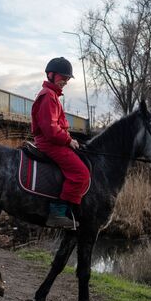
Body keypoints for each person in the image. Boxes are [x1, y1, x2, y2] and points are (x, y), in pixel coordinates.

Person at [31, 57, 90, 229]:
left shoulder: (53, 95)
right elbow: (50, 130)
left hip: (55, 141)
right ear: (51, 75)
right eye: (63, 77)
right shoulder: (48, 96)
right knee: (81, 174)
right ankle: (57, 213)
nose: (66, 81)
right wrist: (68, 140)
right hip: (50, 143)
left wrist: (70, 139)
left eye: (67, 78)